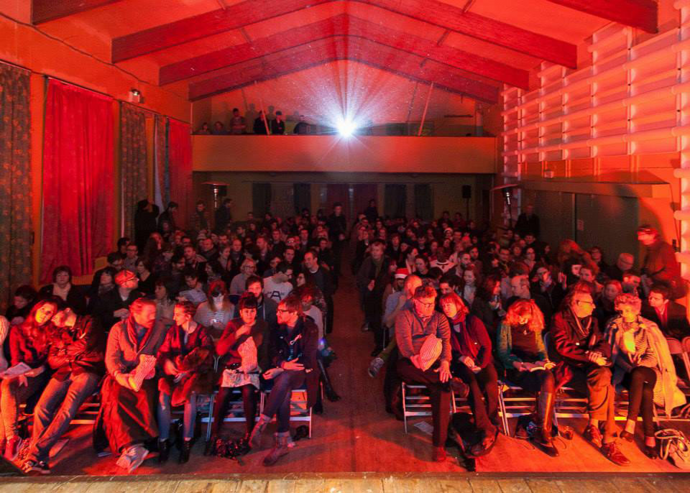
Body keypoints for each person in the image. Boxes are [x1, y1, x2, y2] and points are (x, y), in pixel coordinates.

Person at [550, 282, 629, 466]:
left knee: (604, 376)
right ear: (575, 303)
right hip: (570, 370)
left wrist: (597, 354)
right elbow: (562, 347)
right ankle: (606, 439)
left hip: (590, 368)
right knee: (607, 386)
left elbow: (603, 343)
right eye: (589, 303)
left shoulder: (592, 321)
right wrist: (588, 356)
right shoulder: (559, 318)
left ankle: (595, 426)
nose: (594, 306)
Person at [22, 305, 105, 474]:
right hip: (64, 371)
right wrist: (73, 353)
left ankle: (35, 455)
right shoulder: (57, 332)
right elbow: (53, 361)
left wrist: (64, 351)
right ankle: (40, 458)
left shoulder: (90, 322)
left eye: (54, 315)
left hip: (87, 370)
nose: (51, 319)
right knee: (40, 408)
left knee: (67, 409)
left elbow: (86, 344)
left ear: (66, 310)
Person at [605, 294, 685, 459]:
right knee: (645, 390)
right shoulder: (614, 326)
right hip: (625, 372)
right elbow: (614, 355)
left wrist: (642, 363)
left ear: (636, 310)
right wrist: (630, 366)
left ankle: (631, 424)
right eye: (621, 310)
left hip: (648, 370)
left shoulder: (648, 327)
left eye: (627, 310)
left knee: (640, 373)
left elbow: (654, 355)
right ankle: (650, 438)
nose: (624, 313)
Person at [248, 295, 319, 466]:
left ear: (293, 313)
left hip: (303, 372)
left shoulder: (309, 328)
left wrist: (281, 368)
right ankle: (281, 443)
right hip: (284, 374)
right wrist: (281, 364)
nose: (277, 314)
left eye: (282, 311)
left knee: (284, 377)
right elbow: (272, 352)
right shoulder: (277, 328)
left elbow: (309, 360)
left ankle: (262, 423)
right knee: (284, 386)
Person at [100, 298, 167, 473]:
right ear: (135, 313)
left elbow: (161, 353)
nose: (153, 317)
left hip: (146, 374)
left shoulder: (158, 328)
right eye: (149, 314)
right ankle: (130, 445)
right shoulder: (118, 329)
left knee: (144, 396)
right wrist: (119, 375)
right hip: (123, 373)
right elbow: (111, 357)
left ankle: (142, 442)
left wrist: (151, 367)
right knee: (116, 396)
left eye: (154, 313)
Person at [395, 285, 452, 462]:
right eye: (425, 304)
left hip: (433, 361)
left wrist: (445, 363)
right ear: (415, 301)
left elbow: (446, 341)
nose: (429, 307)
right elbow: (404, 343)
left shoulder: (440, 318)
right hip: (412, 361)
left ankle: (439, 445)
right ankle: (452, 383)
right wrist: (416, 359)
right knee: (403, 368)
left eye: (431, 304)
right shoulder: (405, 316)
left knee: (442, 388)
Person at [497, 299, 559, 457]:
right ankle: (544, 432)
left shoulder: (534, 326)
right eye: (519, 317)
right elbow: (503, 352)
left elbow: (540, 348)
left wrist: (544, 360)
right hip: (516, 366)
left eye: (525, 318)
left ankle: (543, 429)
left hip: (533, 364)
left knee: (548, 377)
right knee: (547, 380)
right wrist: (517, 363)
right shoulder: (505, 325)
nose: (522, 321)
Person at [440, 292, 498, 457]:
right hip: (461, 363)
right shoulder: (445, 325)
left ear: (458, 305)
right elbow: (448, 349)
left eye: (449, 304)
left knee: (489, 382)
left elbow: (486, 346)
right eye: (443, 305)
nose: (446, 308)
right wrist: (461, 357)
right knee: (471, 384)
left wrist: (479, 365)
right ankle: (486, 428)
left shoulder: (472, 321)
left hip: (482, 361)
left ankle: (492, 421)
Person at [208, 294, 269, 450]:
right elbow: (220, 350)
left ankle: (250, 433)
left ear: (256, 311)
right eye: (246, 311)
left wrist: (259, 367)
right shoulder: (234, 324)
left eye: (252, 311)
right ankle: (215, 433)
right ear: (240, 312)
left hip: (252, 369)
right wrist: (237, 334)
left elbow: (266, 352)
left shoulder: (262, 326)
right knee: (224, 393)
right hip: (233, 368)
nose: (249, 315)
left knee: (248, 391)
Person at [156, 301, 214, 464]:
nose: (174, 317)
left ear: (187, 316)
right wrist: (167, 362)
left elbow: (206, 358)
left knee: (190, 396)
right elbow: (163, 352)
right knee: (163, 396)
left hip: (195, 374)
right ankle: (163, 441)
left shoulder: (202, 332)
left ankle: (186, 441)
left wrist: (187, 371)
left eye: (177, 314)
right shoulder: (173, 331)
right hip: (174, 373)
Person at [0, 299, 58, 460]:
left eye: (49, 313)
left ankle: (5, 441)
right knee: (6, 389)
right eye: (43, 310)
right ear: (36, 309)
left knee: (6, 394)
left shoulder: (52, 331)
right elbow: (15, 357)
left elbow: (51, 358)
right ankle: (12, 438)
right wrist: (20, 372)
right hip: (21, 372)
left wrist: (40, 369)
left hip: (40, 374)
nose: (45, 315)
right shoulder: (18, 329)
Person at [357, 240, 391, 355]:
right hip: (372, 296)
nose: (375, 253)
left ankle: (385, 344)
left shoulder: (388, 262)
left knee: (385, 320)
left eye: (377, 250)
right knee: (376, 321)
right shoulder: (367, 262)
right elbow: (360, 276)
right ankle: (379, 344)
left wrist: (378, 283)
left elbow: (391, 277)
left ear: (382, 251)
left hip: (384, 295)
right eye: (373, 250)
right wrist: (368, 282)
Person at [637, 225, 685, 299]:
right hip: (660, 290)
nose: (639, 238)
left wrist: (652, 278)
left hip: (667, 290)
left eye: (642, 235)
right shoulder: (651, 249)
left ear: (652, 235)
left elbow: (670, 270)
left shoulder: (664, 248)